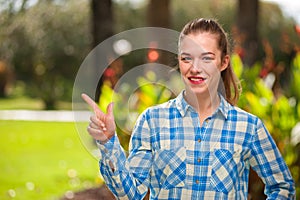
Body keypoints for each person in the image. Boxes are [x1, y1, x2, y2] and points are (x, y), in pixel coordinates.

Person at [81, 18, 295, 199]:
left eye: (206, 58)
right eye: (187, 58)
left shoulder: (248, 127)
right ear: (179, 61)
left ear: (223, 63)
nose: (195, 68)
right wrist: (109, 143)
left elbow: (282, 186)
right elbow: (131, 193)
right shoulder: (152, 121)